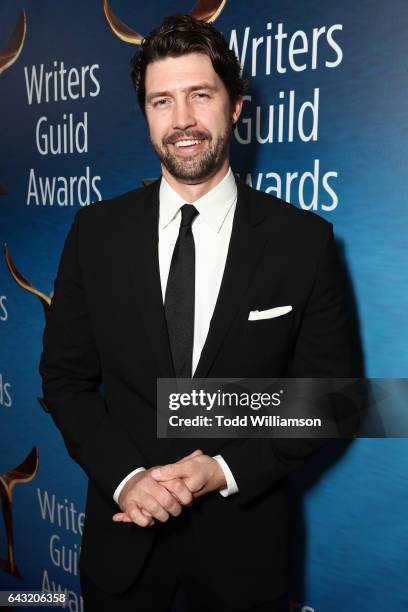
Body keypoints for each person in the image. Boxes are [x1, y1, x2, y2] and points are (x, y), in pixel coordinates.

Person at [39, 14, 354, 612]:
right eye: (162, 101)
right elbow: (66, 379)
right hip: (121, 550)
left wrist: (224, 469)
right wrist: (129, 478)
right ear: (146, 115)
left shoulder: (302, 243)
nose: (181, 120)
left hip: (245, 561)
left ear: (234, 107)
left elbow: (331, 398)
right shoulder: (94, 234)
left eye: (199, 96)